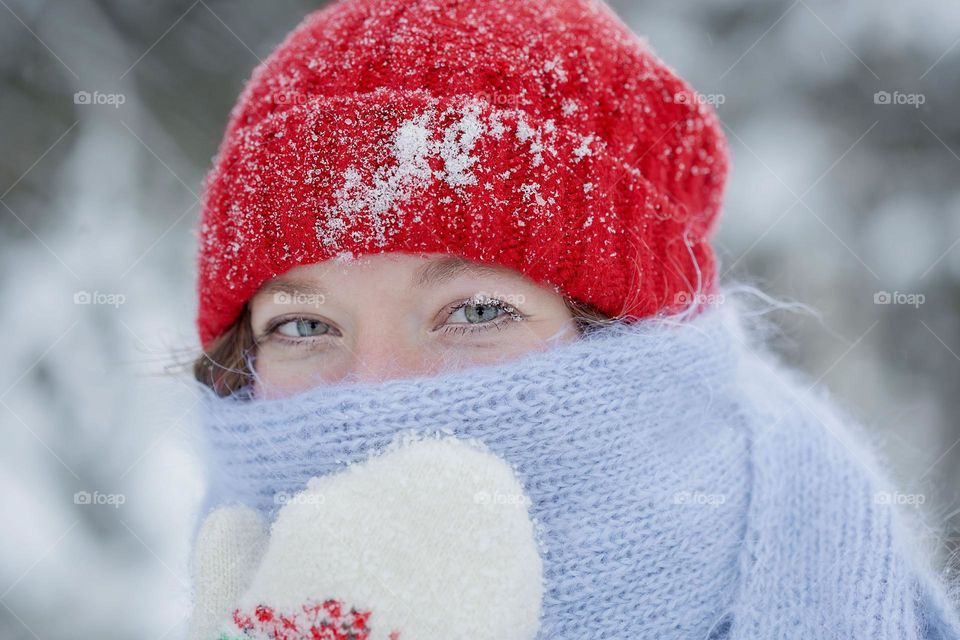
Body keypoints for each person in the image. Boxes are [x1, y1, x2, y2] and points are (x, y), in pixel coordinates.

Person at [186, 0, 960, 638]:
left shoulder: (839, 593)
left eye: (477, 311)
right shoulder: (232, 573)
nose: (378, 396)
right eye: (302, 326)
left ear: (631, 345)